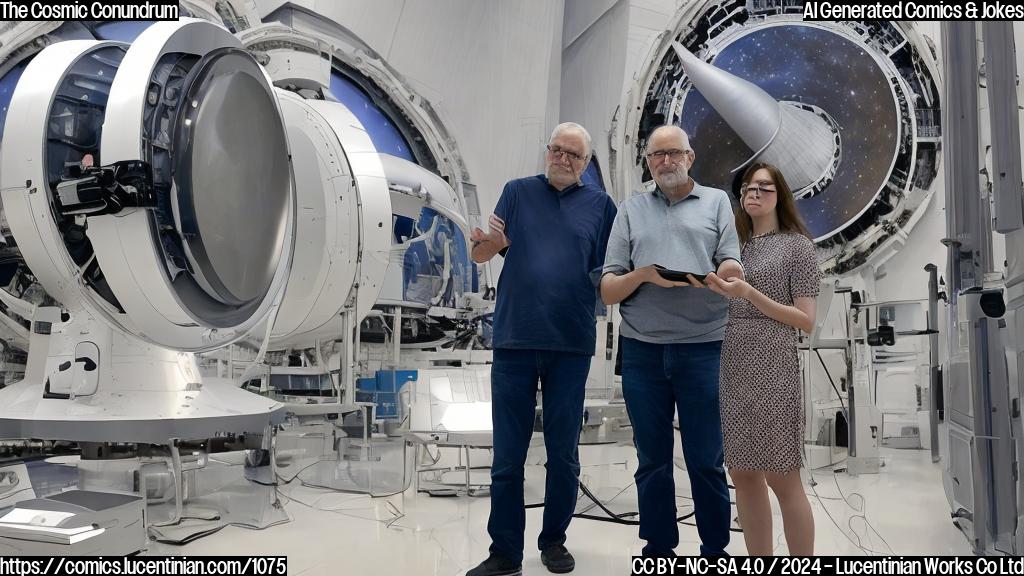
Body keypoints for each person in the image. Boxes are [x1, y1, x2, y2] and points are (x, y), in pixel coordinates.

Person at [467, 122, 617, 576]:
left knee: (563, 453)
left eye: (574, 155)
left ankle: (554, 541)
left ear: (586, 164)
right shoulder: (516, 192)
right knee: (507, 456)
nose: (563, 159)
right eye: (557, 150)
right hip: (515, 339)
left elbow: (609, 269)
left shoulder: (601, 206)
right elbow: (480, 254)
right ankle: (505, 552)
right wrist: (490, 243)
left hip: (570, 344)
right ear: (546, 151)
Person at [600, 125, 742, 558]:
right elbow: (608, 287)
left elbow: (732, 259)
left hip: (704, 347)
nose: (665, 161)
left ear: (690, 157)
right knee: (652, 461)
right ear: (647, 161)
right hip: (642, 351)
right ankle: (659, 548)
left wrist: (728, 275)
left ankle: (715, 551)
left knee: (705, 459)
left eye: (673, 153)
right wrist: (644, 274)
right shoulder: (630, 209)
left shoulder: (717, 202)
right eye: (656, 155)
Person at [704, 161, 819, 556]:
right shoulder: (732, 247)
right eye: (748, 188)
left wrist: (749, 294)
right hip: (732, 360)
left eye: (764, 187)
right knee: (742, 473)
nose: (753, 194)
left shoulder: (798, 247)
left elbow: (805, 321)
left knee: (782, 476)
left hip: (774, 360)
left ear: (780, 194)